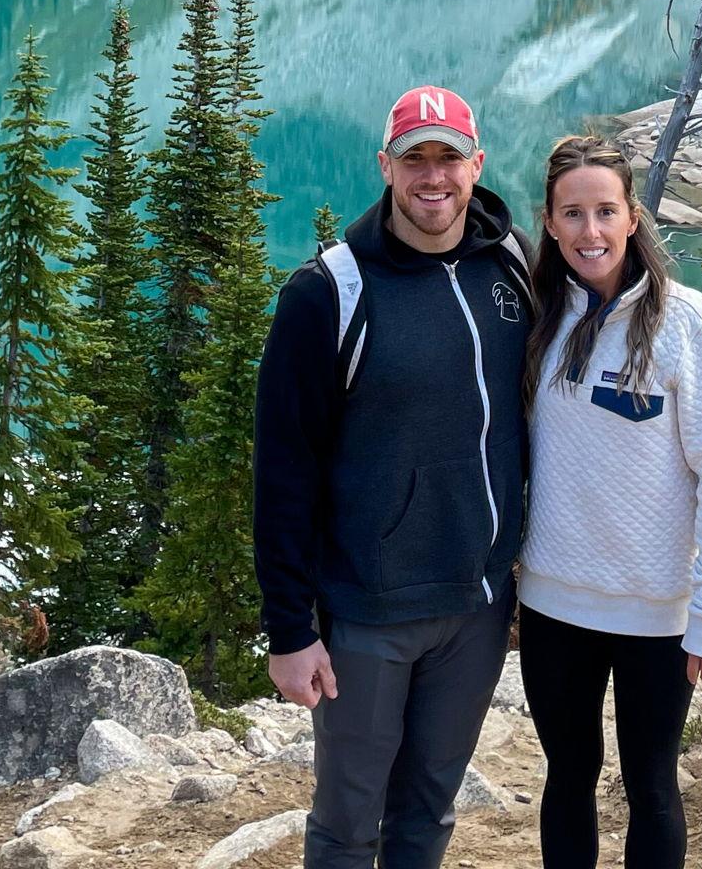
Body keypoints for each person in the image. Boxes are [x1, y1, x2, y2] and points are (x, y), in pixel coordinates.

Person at [253, 84, 533, 869]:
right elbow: (282, 471)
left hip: (477, 610)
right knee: (347, 825)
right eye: (416, 159)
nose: (433, 178)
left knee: (430, 812)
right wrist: (291, 630)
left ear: (477, 166)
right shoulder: (328, 294)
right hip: (368, 614)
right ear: (386, 166)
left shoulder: (509, 266)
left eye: (449, 158)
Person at [516, 134, 702, 869]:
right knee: (568, 777)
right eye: (572, 214)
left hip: (657, 610)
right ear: (550, 223)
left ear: (632, 218)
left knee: (652, 785)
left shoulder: (687, 323)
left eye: (605, 211)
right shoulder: (538, 317)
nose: (590, 231)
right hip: (555, 604)